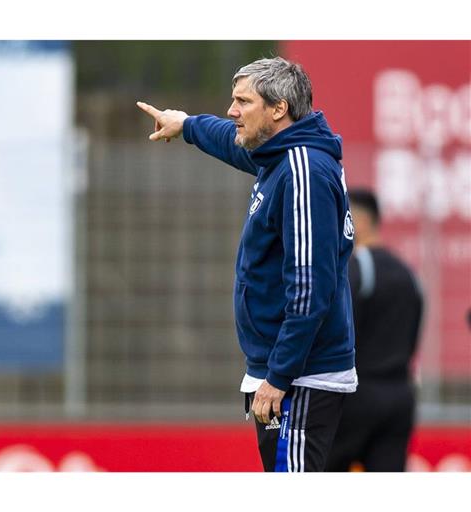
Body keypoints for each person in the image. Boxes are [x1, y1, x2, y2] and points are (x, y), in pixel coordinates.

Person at [137, 57, 357, 472]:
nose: (231, 111)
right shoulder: (281, 155)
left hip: (299, 378)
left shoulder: (302, 170)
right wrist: (186, 125)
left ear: (278, 109)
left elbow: (310, 288)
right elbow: (231, 140)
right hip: (286, 372)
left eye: (243, 101)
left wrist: (279, 376)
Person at [325, 188, 423, 472]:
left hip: (357, 395)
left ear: (361, 221)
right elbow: (413, 336)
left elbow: (340, 330)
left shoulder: (356, 268)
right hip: (400, 397)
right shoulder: (409, 274)